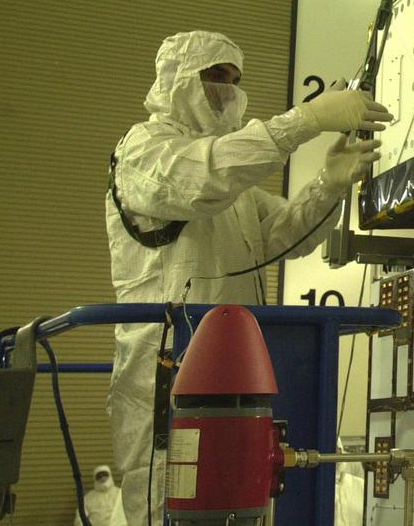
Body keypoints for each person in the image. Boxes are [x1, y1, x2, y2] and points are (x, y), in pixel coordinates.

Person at [105, 31, 392, 525]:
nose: (227, 90)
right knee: (165, 505)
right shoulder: (144, 151)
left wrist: (329, 185)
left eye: (235, 79)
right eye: (215, 76)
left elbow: (284, 239)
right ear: (178, 82)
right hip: (166, 377)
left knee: (239, 504)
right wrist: (306, 120)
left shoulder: (237, 187)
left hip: (236, 375)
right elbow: (202, 181)